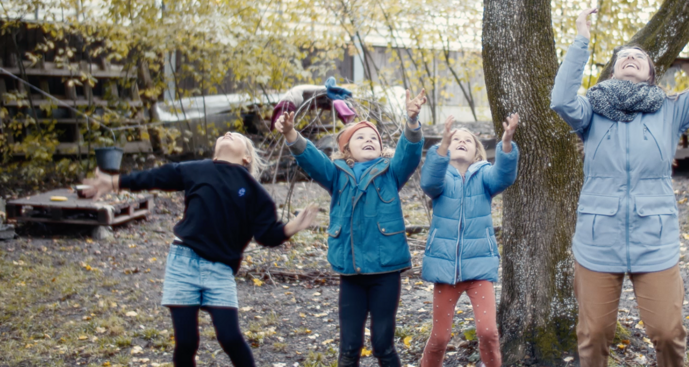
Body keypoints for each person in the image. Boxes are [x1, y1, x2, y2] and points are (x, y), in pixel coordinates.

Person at [550, 0, 689, 367]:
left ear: (650, 73)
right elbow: (560, 99)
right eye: (622, 56)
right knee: (592, 336)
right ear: (612, 70)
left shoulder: (671, 109)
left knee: (667, 332)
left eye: (638, 57)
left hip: (654, 238)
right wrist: (581, 40)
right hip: (598, 240)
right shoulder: (590, 110)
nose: (630, 58)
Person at [83, 131, 320, 367]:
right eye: (225, 134)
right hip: (183, 261)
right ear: (215, 151)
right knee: (186, 342)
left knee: (230, 338)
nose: (228, 133)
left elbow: (266, 234)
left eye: (236, 136)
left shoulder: (255, 193)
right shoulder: (196, 169)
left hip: (220, 271)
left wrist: (292, 227)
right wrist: (114, 182)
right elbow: (156, 177)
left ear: (246, 157)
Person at [276, 89, 427, 367]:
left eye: (374, 138)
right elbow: (311, 158)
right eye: (361, 137)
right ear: (346, 150)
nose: (369, 140)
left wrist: (412, 120)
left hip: (385, 272)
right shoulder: (336, 174)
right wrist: (290, 134)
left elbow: (409, 152)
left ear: (381, 148)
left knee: (383, 345)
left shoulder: (391, 173)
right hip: (351, 274)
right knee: (348, 349)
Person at [418, 114, 520, 367]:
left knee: (488, 333)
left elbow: (504, 176)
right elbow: (428, 180)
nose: (461, 141)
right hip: (446, 269)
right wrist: (441, 144)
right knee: (440, 338)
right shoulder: (441, 179)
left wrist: (506, 142)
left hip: (479, 269)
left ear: (476, 152)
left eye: (468, 140)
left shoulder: (484, 176)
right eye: (455, 139)